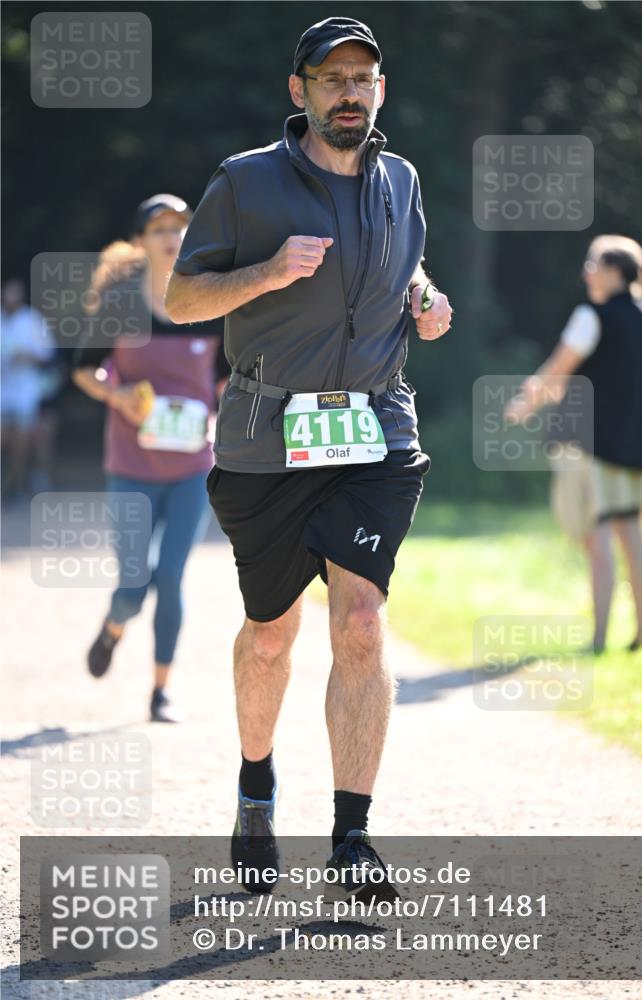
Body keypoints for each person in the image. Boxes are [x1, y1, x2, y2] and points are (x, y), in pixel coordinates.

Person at [165, 17, 452, 899]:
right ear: (300, 91)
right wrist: (264, 274)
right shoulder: (246, 183)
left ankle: (351, 837)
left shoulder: (399, 181)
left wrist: (428, 303)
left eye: (363, 78)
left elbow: (409, 275)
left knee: (361, 623)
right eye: (332, 78)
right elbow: (180, 298)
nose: (349, 92)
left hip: (375, 436)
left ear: (380, 92)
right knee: (269, 633)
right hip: (266, 439)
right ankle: (256, 792)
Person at [72, 194, 230, 722]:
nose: (171, 236)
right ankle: (115, 625)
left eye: (179, 226)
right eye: (159, 228)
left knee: (171, 579)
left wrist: (221, 410)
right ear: (141, 242)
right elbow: (86, 369)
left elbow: (226, 377)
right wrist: (116, 395)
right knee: (134, 583)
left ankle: (160, 690)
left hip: (191, 466)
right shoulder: (120, 302)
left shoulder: (209, 300)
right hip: (132, 466)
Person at [506, 235, 642, 655]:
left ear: (615, 272)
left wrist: (525, 404)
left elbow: (559, 368)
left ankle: (598, 639)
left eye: (594, 264)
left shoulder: (591, 315)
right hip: (636, 448)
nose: (587, 271)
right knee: (631, 537)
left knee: (596, 541)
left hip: (590, 446)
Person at [1, 278, 55, 501]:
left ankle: (15, 485)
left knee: (22, 441)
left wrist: (27, 357)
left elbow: (47, 355)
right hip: (3, 391)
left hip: (26, 393)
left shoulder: (32, 320)